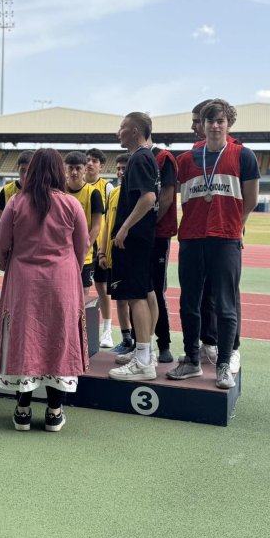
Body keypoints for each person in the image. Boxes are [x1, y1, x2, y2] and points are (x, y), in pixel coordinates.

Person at [0, 148, 90, 432]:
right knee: (59, 337)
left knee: (24, 337)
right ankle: (54, 412)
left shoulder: (17, 202)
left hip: (23, 281)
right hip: (61, 281)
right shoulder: (71, 204)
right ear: (60, 171)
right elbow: (82, 246)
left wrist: (5, 263)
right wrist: (70, 267)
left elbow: (1, 241)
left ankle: (22, 410)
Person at [167, 99, 259, 389]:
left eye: (220, 121)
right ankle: (192, 360)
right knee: (189, 303)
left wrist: (234, 225)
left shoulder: (244, 156)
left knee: (225, 304)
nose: (215, 126)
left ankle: (223, 365)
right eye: (210, 121)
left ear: (228, 124)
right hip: (192, 238)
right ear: (203, 125)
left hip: (225, 239)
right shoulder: (185, 160)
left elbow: (251, 199)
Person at [191, 99, 243, 374]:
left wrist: (238, 228)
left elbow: (245, 195)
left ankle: (232, 348)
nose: (193, 127)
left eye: (195, 122)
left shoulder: (236, 150)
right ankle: (209, 341)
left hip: (227, 234)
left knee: (227, 295)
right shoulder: (196, 152)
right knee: (206, 293)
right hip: (202, 234)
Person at [108, 113, 160, 382]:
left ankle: (143, 362)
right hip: (143, 239)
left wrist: (125, 227)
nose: (118, 132)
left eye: (122, 128)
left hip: (134, 240)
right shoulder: (147, 157)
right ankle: (145, 351)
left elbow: (148, 198)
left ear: (136, 131)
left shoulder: (139, 158)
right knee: (146, 293)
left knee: (136, 296)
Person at [98, 154, 132, 352]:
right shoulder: (114, 193)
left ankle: (139, 341)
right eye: (118, 168)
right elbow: (107, 225)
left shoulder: (136, 194)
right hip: (113, 257)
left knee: (134, 301)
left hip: (130, 255)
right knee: (119, 299)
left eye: (124, 168)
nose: (120, 172)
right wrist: (102, 252)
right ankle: (126, 339)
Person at [149, 143, 178, 363]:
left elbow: (167, 197)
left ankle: (164, 344)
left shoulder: (164, 158)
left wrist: (148, 226)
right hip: (139, 236)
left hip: (157, 234)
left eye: (122, 128)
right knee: (137, 291)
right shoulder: (136, 159)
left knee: (156, 290)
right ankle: (139, 344)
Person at [85, 148, 114, 347]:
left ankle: (107, 331)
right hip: (81, 247)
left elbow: (110, 218)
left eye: (94, 161)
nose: (89, 163)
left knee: (103, 288)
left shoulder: (107, 188)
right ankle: (83, 328)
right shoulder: (76, 185)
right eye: (87, 160)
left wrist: (105, 247)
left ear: (101, 166)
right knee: (82, 290)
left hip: (100, 247)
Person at [64, 151, 104, 300]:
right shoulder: (59, 191)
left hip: (85, 256)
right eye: (71, 168)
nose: (74, 172)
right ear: (65, 169)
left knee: (82, 296)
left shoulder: (93, 194)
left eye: (78, 168)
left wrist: (84, 247)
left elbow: (96, 227)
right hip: (62, 253)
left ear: (84, 169)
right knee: (62, 293)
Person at [0, 150, 34, 226]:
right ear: (17, 168)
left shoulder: (40, 191)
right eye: (23, 170)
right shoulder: (6, 191)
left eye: (30, 171)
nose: (25, 175)